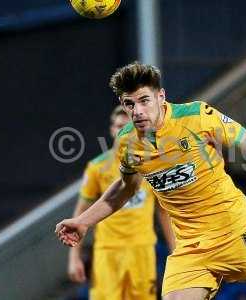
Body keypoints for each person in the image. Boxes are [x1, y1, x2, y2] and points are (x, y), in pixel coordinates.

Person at [56, 62, 246, 300]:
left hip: (234, 229)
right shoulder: (127, 142)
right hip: (190, 247)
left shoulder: (197, 116)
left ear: (161, 97)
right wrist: (83, 222)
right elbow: (125, 187)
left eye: (144, 100)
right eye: (129, 104)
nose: (137, 111)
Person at [67, 105, 174, 300]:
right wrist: (74, 258)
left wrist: (175, 250)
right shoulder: (97, 167)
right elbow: (80, 214)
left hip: (142, 249)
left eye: (128, 126)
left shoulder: (153, 163)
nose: (121, 131)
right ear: (111, 130)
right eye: (118, 126)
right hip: (108, 252)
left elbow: (163, 211)